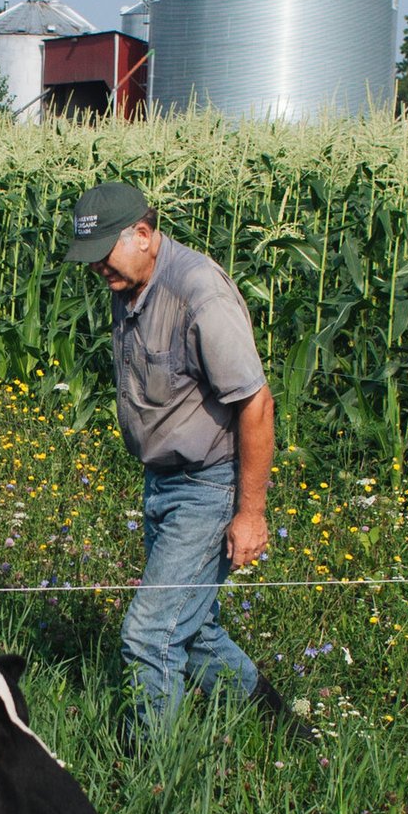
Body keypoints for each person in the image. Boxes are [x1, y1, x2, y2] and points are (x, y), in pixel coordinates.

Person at [66, 180, 313, 741]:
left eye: (105, 251)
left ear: (145, 235)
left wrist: (251, 513)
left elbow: (257, 403)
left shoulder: (200, 293)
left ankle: (151, 775)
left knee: (150, 636)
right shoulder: (129, 281)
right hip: (163, 480)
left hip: (208, 486)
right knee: (194, 628)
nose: (98, 267)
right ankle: (279, 728)